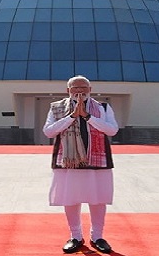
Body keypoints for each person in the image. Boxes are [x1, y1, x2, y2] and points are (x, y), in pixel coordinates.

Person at [44, 75, 119, 254]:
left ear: (90, 90)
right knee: (71, 198)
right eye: (75, 88)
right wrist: (72, 116)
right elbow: (48, 131)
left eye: (83, 87)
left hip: (97, 159)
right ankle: (76, 236)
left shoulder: (103, 107)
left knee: (98, 198)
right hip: (69, 160)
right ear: (67, 90)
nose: (79, 91)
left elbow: (112, 129)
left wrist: (87, 116)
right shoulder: (56, 108)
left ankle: (97, 236)